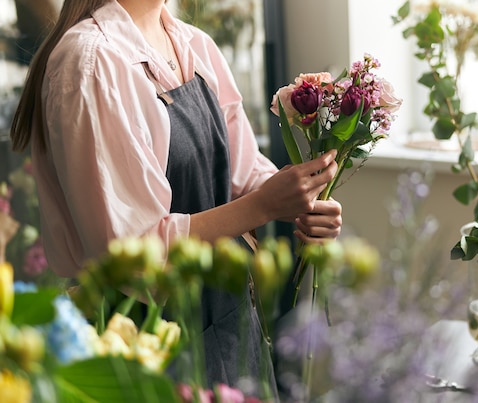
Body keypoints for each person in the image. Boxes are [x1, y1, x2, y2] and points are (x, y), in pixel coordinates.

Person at [10, 0, 342, 399]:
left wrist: (303, 202)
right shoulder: (91, 62)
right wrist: (265, 206)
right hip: (141, 338)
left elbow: (244, 173)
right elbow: (129, 256)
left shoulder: (194, 45)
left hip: (230, 317)